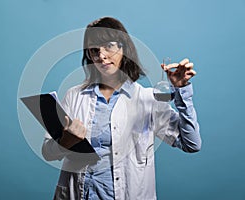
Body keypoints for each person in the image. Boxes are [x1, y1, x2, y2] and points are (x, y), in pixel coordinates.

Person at [42, 17, 201, 200]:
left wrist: (181, 91)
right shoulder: (74, 96)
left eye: (108, 46)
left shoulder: (146, 99)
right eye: (95, 50)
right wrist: (65, 142)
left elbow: (191, 144)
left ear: (124, 48)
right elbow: (47, 151)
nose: (101, 56)